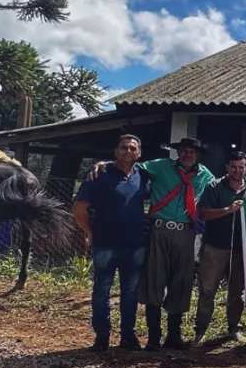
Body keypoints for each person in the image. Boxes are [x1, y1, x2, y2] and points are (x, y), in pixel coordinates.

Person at [87, 136, 215, 351]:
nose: (187, 154)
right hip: (159, 230)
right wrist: (102, 164)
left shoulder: (206, 175)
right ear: (178, 152)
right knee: (154, 281)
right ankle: (154, 337)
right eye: (184, 150)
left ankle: (174, 335)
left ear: (197, 154)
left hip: (186, 233)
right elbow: (129, 164)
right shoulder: (159, 167)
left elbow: (222, 186)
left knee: (181, 283)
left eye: (192, 151)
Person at [72, 134, 150, 352]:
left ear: (139, 153)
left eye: (132, 148)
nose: (128, 151)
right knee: (102, 291)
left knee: (130, 292)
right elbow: (79, 209)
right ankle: (102, 337)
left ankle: (128, 336)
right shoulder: (100, 175)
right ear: (116, 151)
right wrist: (89, 231)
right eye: (123, 147)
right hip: (105, 244)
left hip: (135, 245)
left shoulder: (143, 176)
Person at [194, 151, 246, 345]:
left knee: (236, 292)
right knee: (207, 290)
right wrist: (228, 210)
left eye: (241, 167)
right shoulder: (214, 186)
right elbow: (204, 213)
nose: (237, 170)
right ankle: (201, 330)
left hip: (241, 249)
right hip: (215, 247)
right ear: (227, 167)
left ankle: (234, 329)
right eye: (234, 167)